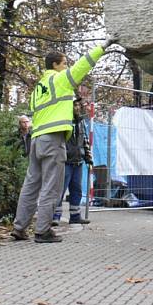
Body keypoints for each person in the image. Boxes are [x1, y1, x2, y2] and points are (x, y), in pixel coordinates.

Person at [11, 40, 115, 243]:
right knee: (52, 186)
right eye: (64, 63)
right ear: (55, 65)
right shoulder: (59, 80)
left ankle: (19, 228)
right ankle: (42, 231)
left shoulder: (39, 88)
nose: (67, 66)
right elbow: (82, 65)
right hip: (53, 139)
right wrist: (104, 46)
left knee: (31, 185)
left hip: (37, 140)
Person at [52, 95, 93, 225]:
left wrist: (88, 159)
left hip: (78, 162)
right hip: (65, 162)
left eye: (77, 105)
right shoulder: (63, 122)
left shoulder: (81, 122)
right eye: (74, 105)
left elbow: (85, 141)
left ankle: (75, 217)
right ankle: (55, 217)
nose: (77, 108)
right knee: (60, 190)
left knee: (77, 190)